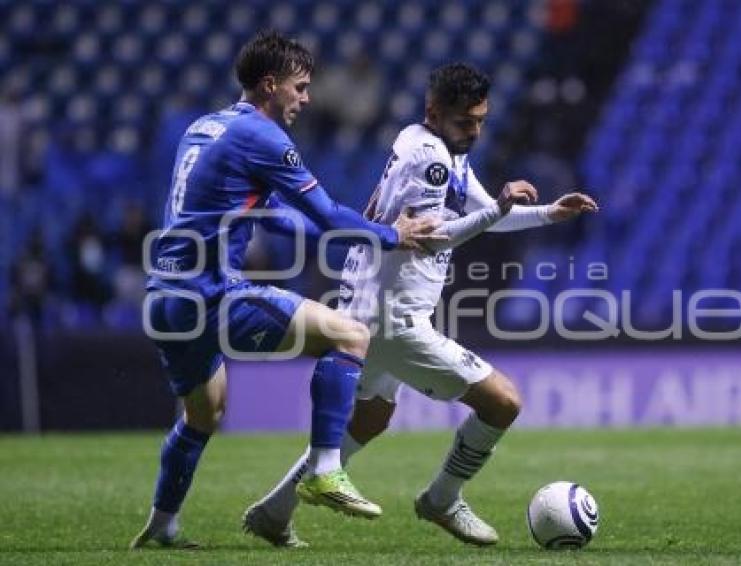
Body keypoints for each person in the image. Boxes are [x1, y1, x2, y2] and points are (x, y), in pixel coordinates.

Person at [243, 63, 597, 547]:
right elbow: (429, 241)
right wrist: (499, 208)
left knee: (371, 418)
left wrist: (549, 213)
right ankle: (442, 499)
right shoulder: (429, 161)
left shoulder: (438, 146)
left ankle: (274, 511)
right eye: (464, 122)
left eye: (480, 121)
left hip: (370, 304)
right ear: (434, 112)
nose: (474, 131)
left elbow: (486, 213)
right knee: (503, 402)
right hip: (393, 319)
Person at [130, 31, 444, 549]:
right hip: (210, 295)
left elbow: (272, 215)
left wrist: (342, 234)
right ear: (270, 84)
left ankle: (162, 526)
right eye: (299, 87)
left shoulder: (205, 125)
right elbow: (323, 213)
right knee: (349, 336)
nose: (307, 98)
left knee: (203, 414)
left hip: (165, 298)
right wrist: (393, 235)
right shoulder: (264, 137)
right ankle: (323, 469)